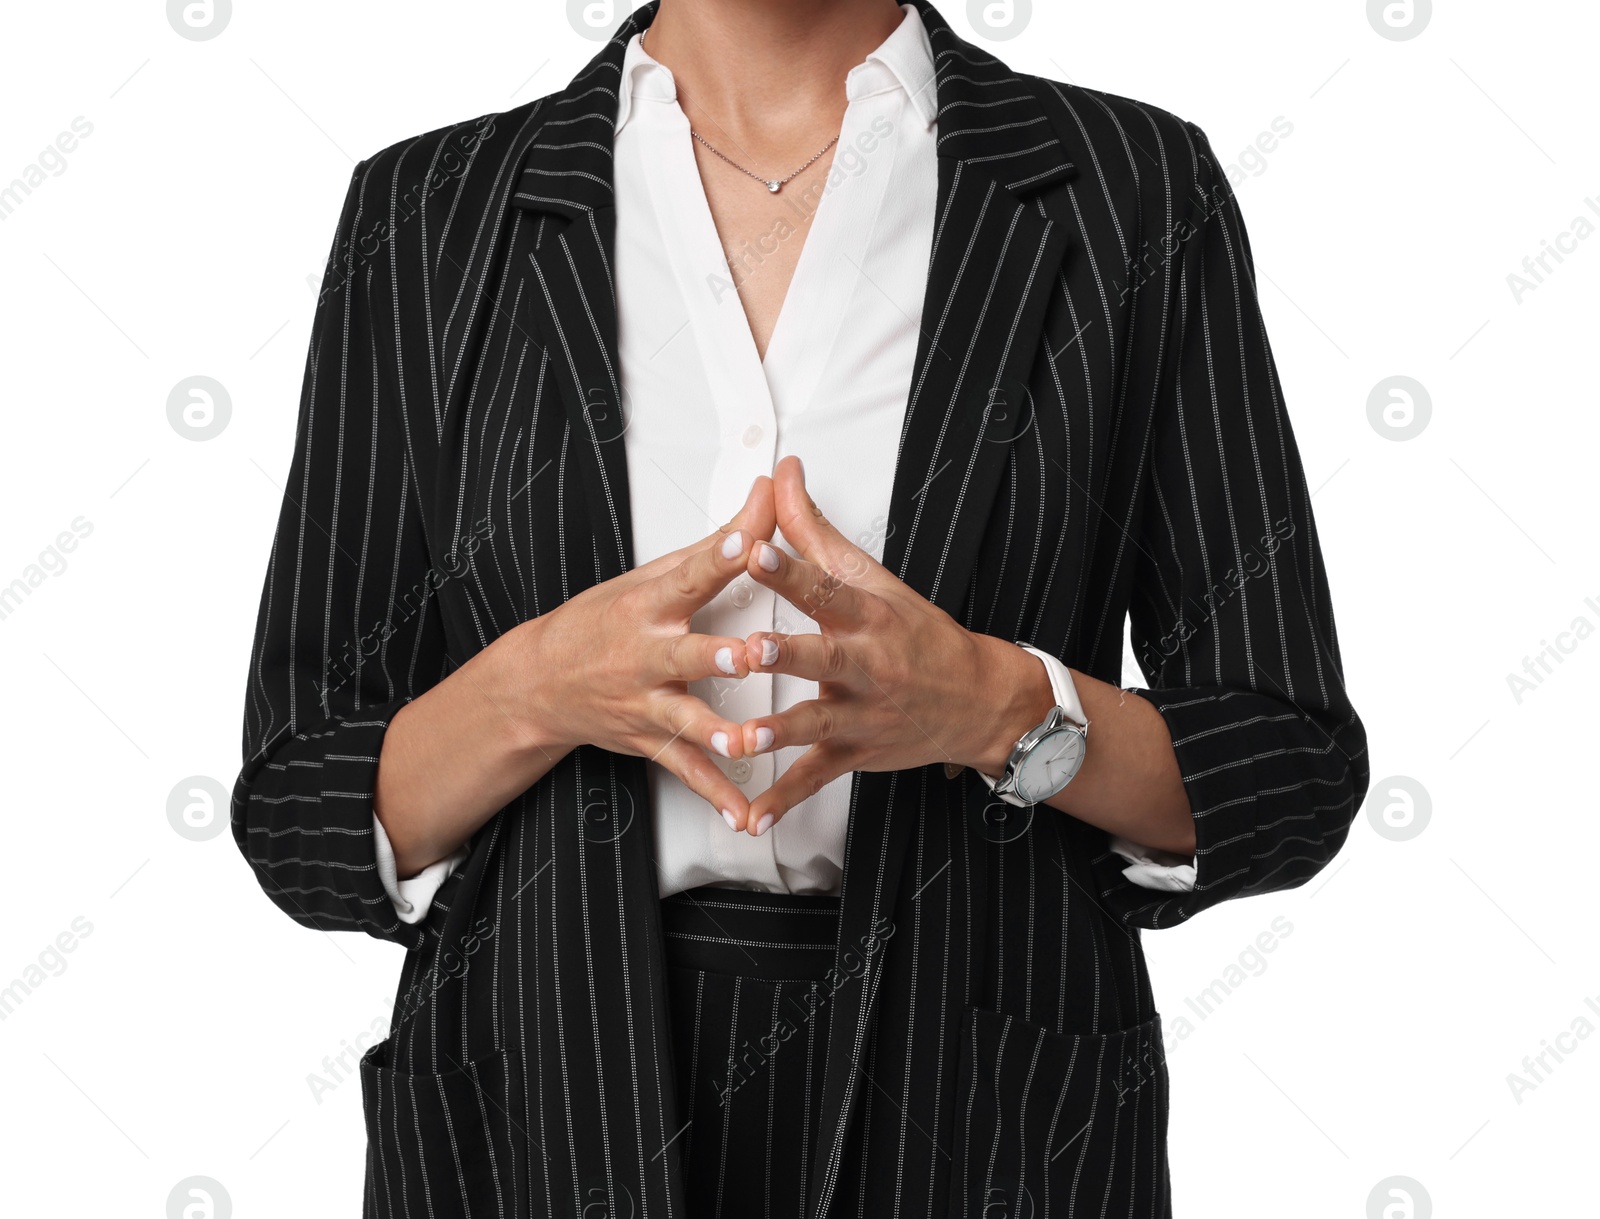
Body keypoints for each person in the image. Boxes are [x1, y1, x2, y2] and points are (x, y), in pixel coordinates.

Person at [231, 1, 1369, 1214]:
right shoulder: (428, 213)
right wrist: (536, 687)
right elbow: (299, 803)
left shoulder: (1130, 192)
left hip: (984, 1107)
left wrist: (996, 705)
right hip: (537, 1101)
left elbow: (1286, 770)